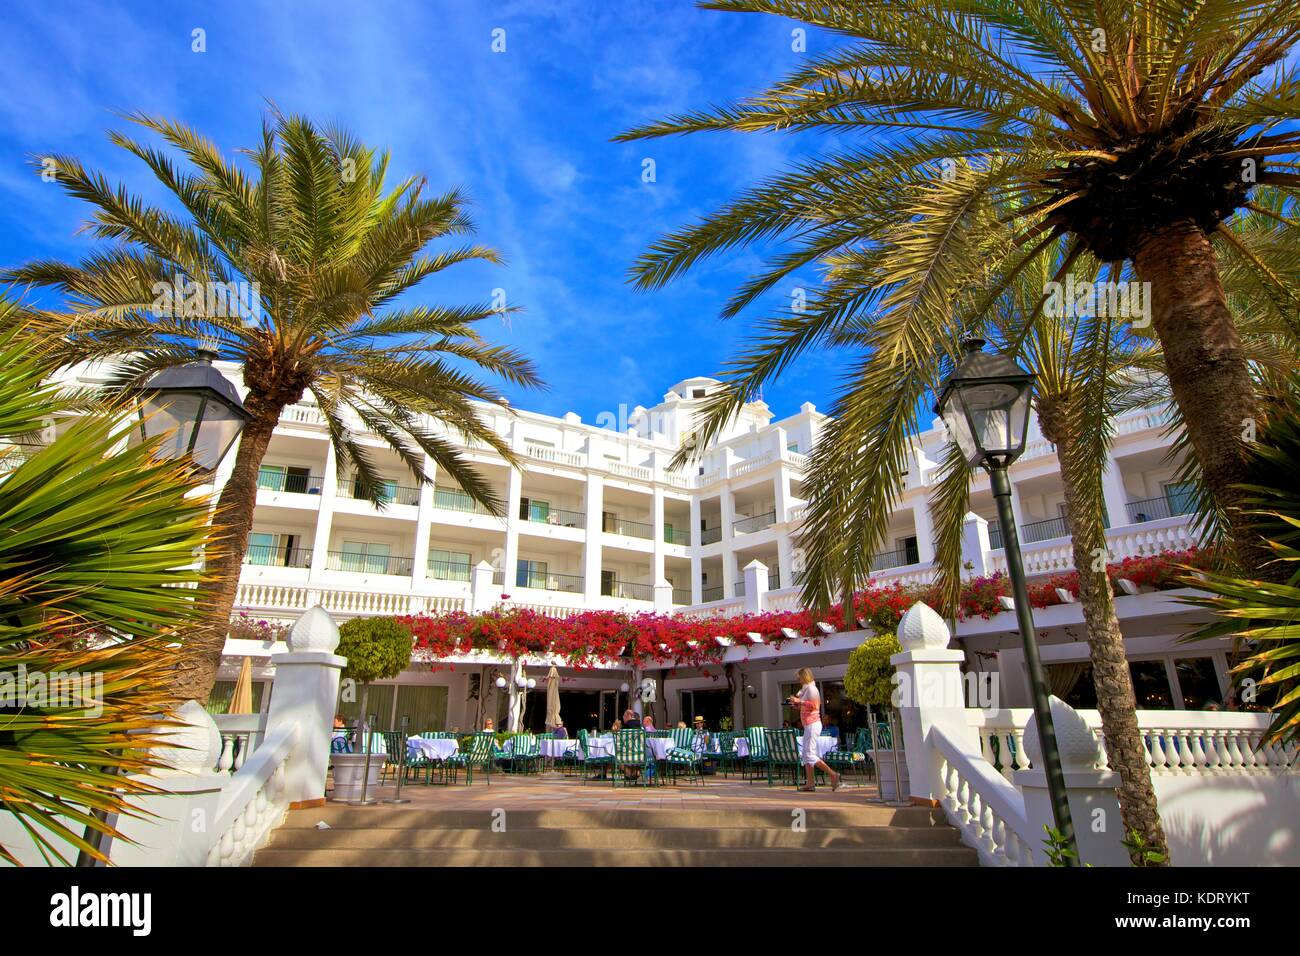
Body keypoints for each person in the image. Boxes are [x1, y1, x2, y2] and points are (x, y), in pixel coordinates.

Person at [787, 668, 841, 792]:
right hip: (809, 725)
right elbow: (806, 706)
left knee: (809, 754)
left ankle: (833, 774)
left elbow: (814, 706)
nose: (798, 680)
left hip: (812, 725)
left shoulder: (812, 689)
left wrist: (799, 701)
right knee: (806, 755)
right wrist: (797, 705)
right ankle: (810, 783)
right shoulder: (806, 690)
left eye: (800, 677)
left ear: (805, 677)